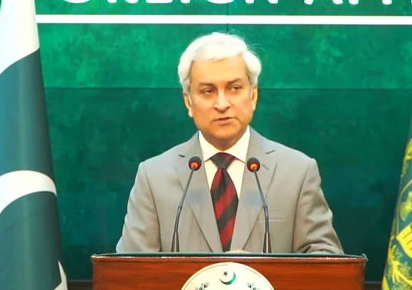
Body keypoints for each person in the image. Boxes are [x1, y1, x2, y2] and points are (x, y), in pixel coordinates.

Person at [116, 32, 343, 254]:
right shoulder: (154, 177)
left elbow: (326, 260)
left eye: (234, 88)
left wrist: (259, 272)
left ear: (253, 95)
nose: (222, 104)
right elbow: (129, 270)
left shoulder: (297, 172)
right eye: (208, 91)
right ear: (188, 102)